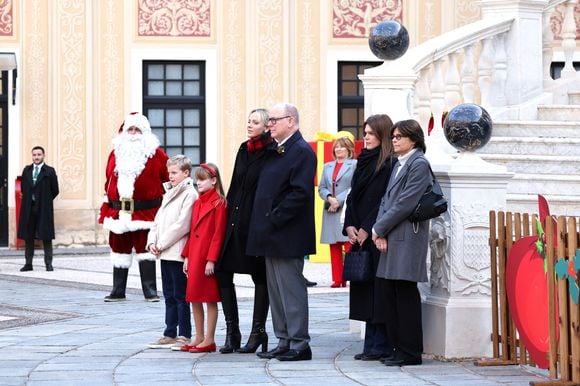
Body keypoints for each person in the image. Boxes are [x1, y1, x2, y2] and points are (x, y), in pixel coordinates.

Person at [246, 102, 316, 362]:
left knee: (291, 289)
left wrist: (274, 217)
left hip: (288, 233)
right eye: (270, 120)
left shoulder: (301, 151)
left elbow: (300, 193)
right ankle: (284, 339)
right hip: (271, 233)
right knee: (275, 290)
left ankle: (300, 343)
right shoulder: (276, 150)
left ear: (291, 121)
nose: (270, 124)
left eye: (275, 120)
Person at [372, 119, 432, 367]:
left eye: (399, 137)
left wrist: (378, 228)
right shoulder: (399, 163)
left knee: (405, 292)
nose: (394, 140)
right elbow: (386, 200)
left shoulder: (418, 164)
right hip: (391, 234)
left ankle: (410, 351)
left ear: (414, 139)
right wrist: (380, 231)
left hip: (408, 235)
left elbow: (405, 203)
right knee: (391, 293)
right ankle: (397, 347)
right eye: (393, 136)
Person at [216, 108, 272, 354]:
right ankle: (232, 331)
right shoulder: (243, 148)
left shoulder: (272, 152)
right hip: (234, 221)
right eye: (248, 121)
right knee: (221, 271)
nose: (249, 125)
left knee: (260, 276)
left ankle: (257, 331)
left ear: (267, 126)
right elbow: (235, 185)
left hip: (255, 224)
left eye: (255, 122)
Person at [98, 112, 169, 302]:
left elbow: (168, 180)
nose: (133, 133)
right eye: (130, 129)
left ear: (145, 132)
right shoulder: (115, 153)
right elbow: (108, 180)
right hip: (119, 212)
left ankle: (150, 290)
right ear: (124, 131)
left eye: (138, 129)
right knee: (118, 250)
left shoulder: (158, 155)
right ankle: (118, 290)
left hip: (145, 212)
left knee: (146, 251)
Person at [343, 114, 395, 362]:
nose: (367, 138)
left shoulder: (388, 164)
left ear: (382, 135)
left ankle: (381, 344)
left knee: (378, 290)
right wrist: (350, 226)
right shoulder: (363, 161)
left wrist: (367, 228)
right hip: (359, 235)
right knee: (364, 289)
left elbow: (383, 200)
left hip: (376, 235)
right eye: (365, 133)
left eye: (372, 134)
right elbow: (353, 197)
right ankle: (370, 344)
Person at [146, 155, 197, 350]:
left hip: (176, 252)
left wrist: (162, 243)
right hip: (165, 252)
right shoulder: (169, 192)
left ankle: (184, 334)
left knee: (181, 295)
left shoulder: (189, 194)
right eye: (169, 172)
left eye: (174, 172)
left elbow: (182, 225)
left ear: (185, 173)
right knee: (168, 294)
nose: (170, 176)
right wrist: (152, 241)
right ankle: (170, 332)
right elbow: (158, 220)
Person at [179, 163, 227, 353]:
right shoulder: (198, 202)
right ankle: (198, 336)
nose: (198, 182)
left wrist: (211, 260)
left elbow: (218, 234)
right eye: (197, 179)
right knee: (194, 297)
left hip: (206, 257)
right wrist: (187, 257)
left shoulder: (219, 203)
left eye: (202, 179)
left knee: (209, 298)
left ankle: (209, 339)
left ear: (213, 181)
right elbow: (193, 232)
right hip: (195, 255)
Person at [318, 136, 356, 288]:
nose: (338, 149)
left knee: (349, 243)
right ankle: (337, 278)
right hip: (330, 209)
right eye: (336, 147)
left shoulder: (354, 165)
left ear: (349, 149)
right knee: (334, 245)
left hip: (346, 208)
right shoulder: (327, 166)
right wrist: (329, 198)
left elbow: (353, 186)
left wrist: (338, 200)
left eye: (342, 147)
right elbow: (321, 187)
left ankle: (350, 276)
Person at [17, 146, 59, 272]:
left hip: (43, 208)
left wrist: (45, 200)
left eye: (39, 154)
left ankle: (48, 264)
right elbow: (24, 188)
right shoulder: (27, 170)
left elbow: (55, 190)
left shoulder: (49, 171)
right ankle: (28, 263)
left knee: (46, 236)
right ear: (32, 156)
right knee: (28, 236)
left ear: (43, 156)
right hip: (29, 208)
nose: (36, 157)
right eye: (34, 155)